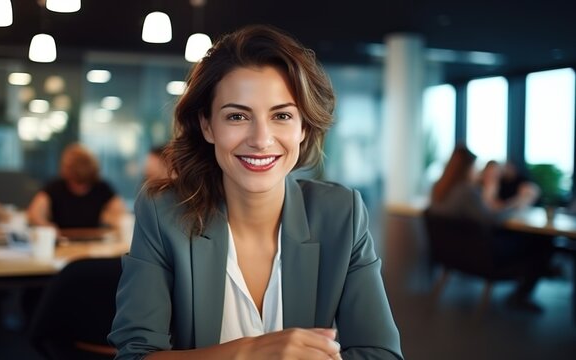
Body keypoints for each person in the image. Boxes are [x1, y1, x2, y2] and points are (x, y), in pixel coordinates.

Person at [108, 25, 402, 359]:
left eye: (282, 115)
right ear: (207, 125)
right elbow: (136, 356)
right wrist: (251, 351)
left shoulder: (342, 213)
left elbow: (382, 354)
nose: (261, 139)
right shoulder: (164, 212)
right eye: (237, 116)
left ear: (303, 127)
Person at [430, 145, 553, 312]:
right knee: (539, 242)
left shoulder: (439, 188)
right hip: (480, 255)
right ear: (466, 168)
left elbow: (481, 215)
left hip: (454, 254)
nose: (477, 171)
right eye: (475, 167)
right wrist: (518, 202)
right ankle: (521, 296)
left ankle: (521, 293)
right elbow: (492, 220)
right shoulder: (466, 191)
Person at [27, 143, 126, 229]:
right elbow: (34, 215)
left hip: (95, 244)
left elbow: (122, 215)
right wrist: (47, 227)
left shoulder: (101, 187)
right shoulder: (55, 187)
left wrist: (109, 219)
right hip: (63, 243)